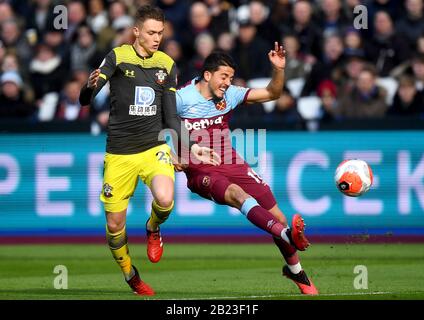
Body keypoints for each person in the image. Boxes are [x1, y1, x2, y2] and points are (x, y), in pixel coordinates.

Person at [79, 5, 219, 296]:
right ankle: (131, 276)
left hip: (153, 147)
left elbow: (171, 116)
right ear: (137, 31)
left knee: (166, 199)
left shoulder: (167, 64)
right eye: (152, 33)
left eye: (160, 33)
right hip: (119, 154)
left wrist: (190, 147)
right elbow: (87, 98)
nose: (157, 38)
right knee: (115, 225)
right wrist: (87, 87)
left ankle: (153, 228)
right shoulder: (118, 56)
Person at [174, 45, 318, 295]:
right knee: (240, 197)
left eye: (230, 77)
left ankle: (296, 272)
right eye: (224, 76)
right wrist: (174, 151)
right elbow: (156, 121)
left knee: (279, 217)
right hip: (200, 168)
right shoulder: (181, 98)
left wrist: (278, 69)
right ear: (207, 75)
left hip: (231, 161)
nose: (228, 82)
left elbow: (273, 92)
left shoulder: (230, 95)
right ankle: (287, 235)